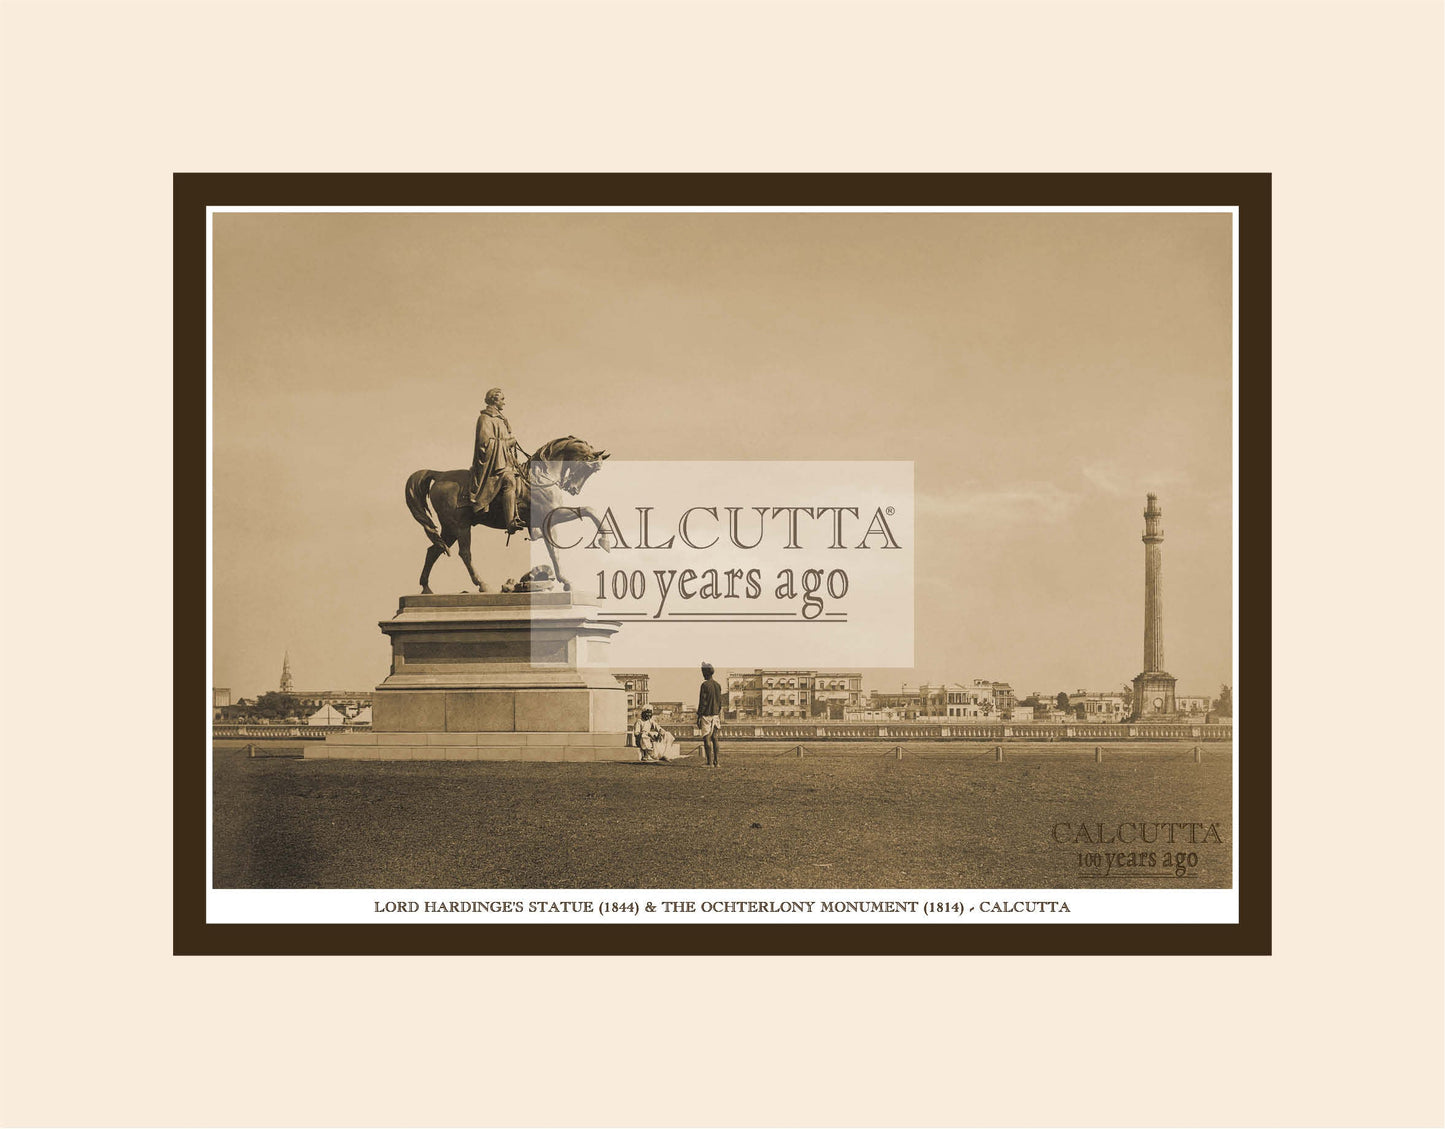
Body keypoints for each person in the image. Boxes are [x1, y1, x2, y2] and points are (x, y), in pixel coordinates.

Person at [469, 387, 527, 533]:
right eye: (502, 399)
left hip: (505, 461)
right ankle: (510, 521)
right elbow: (485, 444)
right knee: (509, 480)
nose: (504, 403)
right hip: (492, 466)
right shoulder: (485, 418)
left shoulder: (501, 419)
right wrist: (506, 443)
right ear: (494, 400)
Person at [696, 661, 723, 767]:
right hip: (716, 715)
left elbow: (703, 702)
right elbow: (720, 702)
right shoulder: (718, 685)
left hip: (706, 715)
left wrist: (699, 716)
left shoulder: (704, 685)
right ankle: (717, 762)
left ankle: (709, 762)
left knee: (706, 738)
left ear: (706, 673)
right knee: (715, 738)